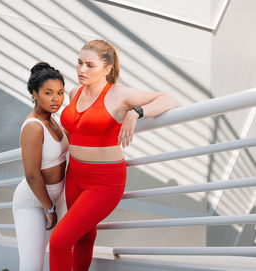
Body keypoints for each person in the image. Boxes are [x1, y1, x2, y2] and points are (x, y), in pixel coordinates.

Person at [49, 39, 180, 271]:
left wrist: (136, 113)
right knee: (83, 238)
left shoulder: (119, 95)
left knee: (59, 242)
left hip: (104, 181)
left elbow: (169, 99)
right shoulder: (74, 92)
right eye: (79, 63)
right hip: (75, 174)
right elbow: (73, 132)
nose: (81, 70)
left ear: (107, 69)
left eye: (90, 65)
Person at [12, 62, 68, 271]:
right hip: (33, 201)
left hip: (57, 196)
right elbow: (32, 176)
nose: (56, 99)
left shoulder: (53, 120)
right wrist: (49, 209)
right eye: (48, 93)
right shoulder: (33, 126)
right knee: (31, 265)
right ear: (34, 94)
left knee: (63, 250)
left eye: (60, 92)